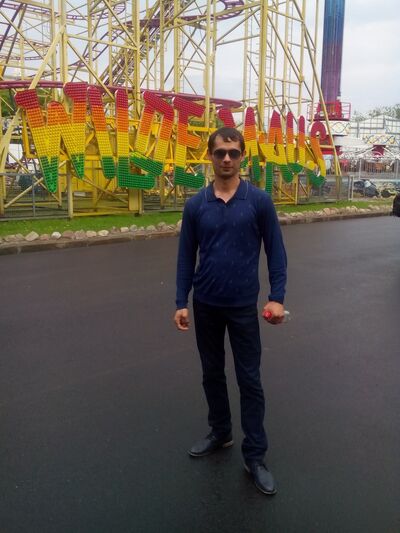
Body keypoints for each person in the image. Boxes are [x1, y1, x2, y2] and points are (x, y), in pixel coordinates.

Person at [173, 126, 287, 496]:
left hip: (242, 307)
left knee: (249, 380)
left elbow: (276, 251)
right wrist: (181, 301)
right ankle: (220, 431)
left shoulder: (259, 201)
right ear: (210, 156)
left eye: (233, 153)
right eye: (220, 152)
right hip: (205, 305)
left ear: (242, 157)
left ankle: (255, 456)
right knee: (211, 374)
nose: (226, 159)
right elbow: (185, 256)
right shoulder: (196, 205)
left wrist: (277, 296)